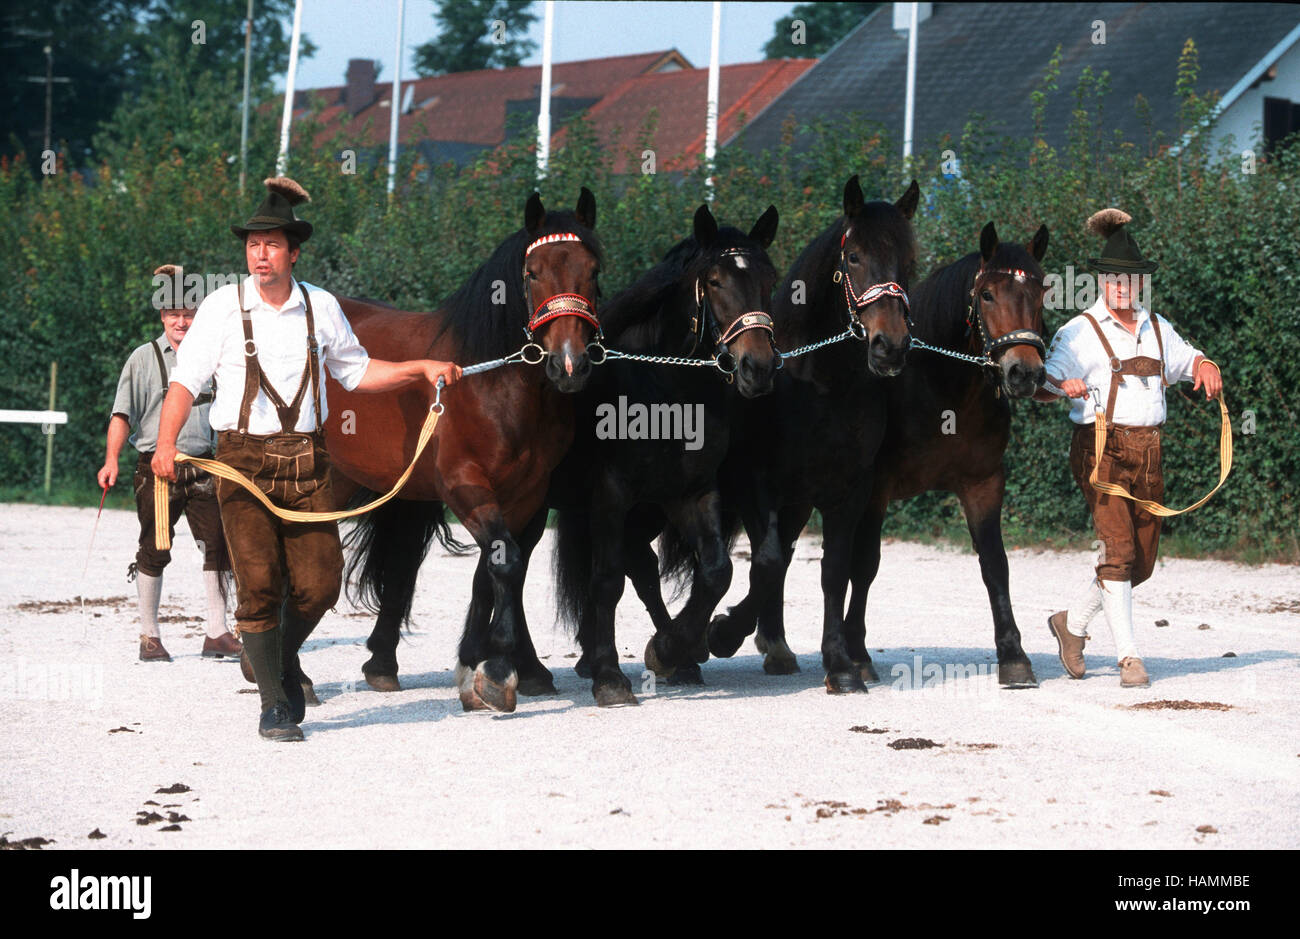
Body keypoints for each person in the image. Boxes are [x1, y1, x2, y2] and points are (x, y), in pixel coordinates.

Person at [152, 177, 462, 742]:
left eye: (271, 245)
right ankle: (274, 702)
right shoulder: (222, 306)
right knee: (259, 583)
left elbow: (358, 371)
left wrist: (419, 367)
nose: (259, 254)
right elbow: (184, 382)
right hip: (241, 462)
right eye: (252, 245)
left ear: (294, 252)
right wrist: (166, 445)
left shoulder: (320, 307)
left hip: (308, 462)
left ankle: (272, 656)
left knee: (321, 583)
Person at [1034, 208, 1223, 687]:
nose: (1123, 286)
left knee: (1140, 563)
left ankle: (1071, 626)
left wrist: (1206, 365)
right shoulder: (1076, 332)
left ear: (1140, 284)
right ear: (1101, 282)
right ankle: (1130, 658)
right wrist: (1061, 385)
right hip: (1102, 450)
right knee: (1117, 552)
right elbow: (1041, 382)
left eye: (1131, 279)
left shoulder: (1158, 328)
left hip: (1150, 453)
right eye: (1114, 278)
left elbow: (1189, 359)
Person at [98, 265, 239, 663]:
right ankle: (150, 637)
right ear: (162, 315)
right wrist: (112, 459)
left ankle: (217, 633)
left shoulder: (215, 358)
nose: (181, 321)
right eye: (173, 313)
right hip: (156, 471)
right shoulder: (142, 359)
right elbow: (121, 415)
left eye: (189, 313)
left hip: (206, 468)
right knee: (156, 548)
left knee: (218, 546)